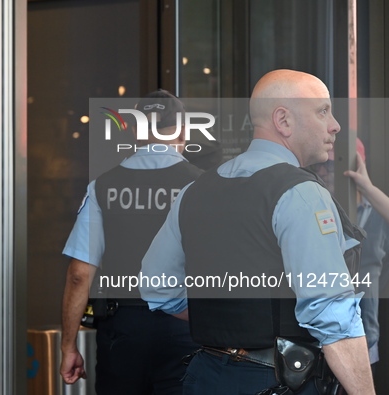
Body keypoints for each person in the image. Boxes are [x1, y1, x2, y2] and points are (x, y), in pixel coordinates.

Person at [140, 69, 375, 394]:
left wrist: (228, 326)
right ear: (283, 120)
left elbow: (156, 285)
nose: (334, 124)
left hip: (206, 376)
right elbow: (332, 315)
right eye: (323, 111)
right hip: (277, 380)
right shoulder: (302, 194)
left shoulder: (195, 190)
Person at [60, 90, 203, 394]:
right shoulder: (202, 185)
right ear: (182, 130)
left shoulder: (103, 186)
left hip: (123, 327)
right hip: (186, 327)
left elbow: (79, 274)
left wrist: (68, 345)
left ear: (137, 131)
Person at [313, 140, 389, 375]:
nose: (324, 172)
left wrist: (366, 187)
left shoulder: (376, 209)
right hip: (322, 338)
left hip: (367, 336)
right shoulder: (317, 206)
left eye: (332, 166)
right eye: (320, 166)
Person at [345, 151, 389, 224]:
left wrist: (367, 188)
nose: (322, 172)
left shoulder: (379, 207)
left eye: (331, 165)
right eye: (322, 165)